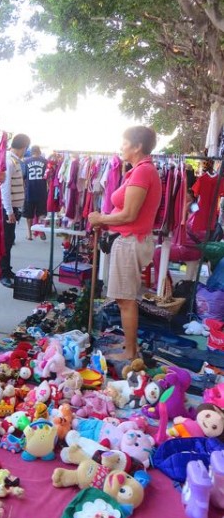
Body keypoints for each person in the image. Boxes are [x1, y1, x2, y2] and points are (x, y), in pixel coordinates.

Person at [88, 126, 162, 362]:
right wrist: (106, 223)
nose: (121, 147)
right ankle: (130, 346)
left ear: (137, 146)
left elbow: (129, 214)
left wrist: (101, 219)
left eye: (124, 142)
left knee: (125, 299)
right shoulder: (138, 171)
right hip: (129, 240)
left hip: (131, 242)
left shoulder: (142, 172)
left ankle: (131, 352)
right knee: (124, 298)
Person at [0, 133, 30, 288]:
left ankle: (6, 269)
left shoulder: (15, 161)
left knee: (9, 240)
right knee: (6, 241)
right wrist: (9, 211)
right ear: (24, 147)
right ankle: (3, 273)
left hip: (12, 208)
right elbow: (4, 188)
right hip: (7, 209)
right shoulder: (9, 161)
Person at [22, 145, 48, 240]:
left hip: (30, 191)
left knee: (29, 214)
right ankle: (41, 231)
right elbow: (48, 176)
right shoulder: (45, 161)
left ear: (31, 152)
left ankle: (29, 233)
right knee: (41, 213)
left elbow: (23, 176)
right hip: (41, 191)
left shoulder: (26, 161)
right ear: (39, 151)